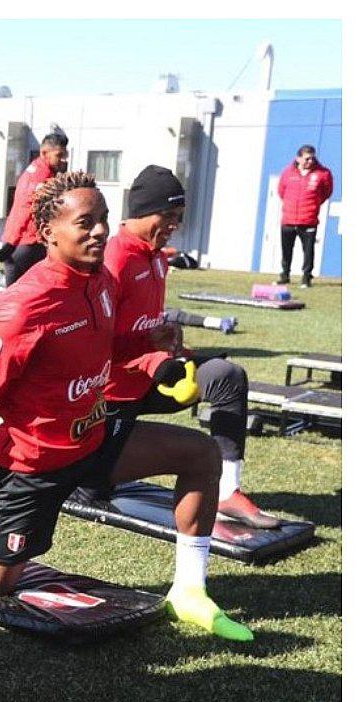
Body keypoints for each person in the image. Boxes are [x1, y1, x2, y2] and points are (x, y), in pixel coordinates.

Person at [0, 171, 252, 641]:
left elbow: (102, 346)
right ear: (48, 231)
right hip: (31, 466)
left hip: (93, 439)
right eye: (85, 222)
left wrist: (149, 344)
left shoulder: (102, 280)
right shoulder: (27, 305)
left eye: (104, 219)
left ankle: (190, 591)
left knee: (201, 454)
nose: (100, 231)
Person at [102, 166, 277, 528]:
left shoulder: (157, 256)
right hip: (111, 393)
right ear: (142, 210)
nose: (175, 225)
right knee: (93, 482)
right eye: (168, 215)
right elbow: (94, 343)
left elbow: (142, 321)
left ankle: (227, 491)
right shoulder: (112, 259)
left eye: (179, 217)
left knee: (226, 376)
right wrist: (148, 352)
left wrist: (165, 333)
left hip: (154, 378)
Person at [0, 132, 68, 286]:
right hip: (27, 243)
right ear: (44, 153)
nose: (63, 160)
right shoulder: (42, 176)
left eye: (65, 155)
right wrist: (11, 243)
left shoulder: (35, 168)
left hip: (22, 242)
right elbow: (26, 208)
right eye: (59, 155)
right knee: (26, 290)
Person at [276, 145, 333, 288]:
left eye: (312, 158)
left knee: (308, 251)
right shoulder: (288, 172)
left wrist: (313, 204)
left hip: (308, 220)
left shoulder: (323, 173)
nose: (310, 161)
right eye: (307, 159)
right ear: (298, 158)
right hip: (288, 219)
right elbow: (281, 191)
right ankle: (285, 275)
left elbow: (326, 192)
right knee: (286, 250)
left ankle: (306, 277)